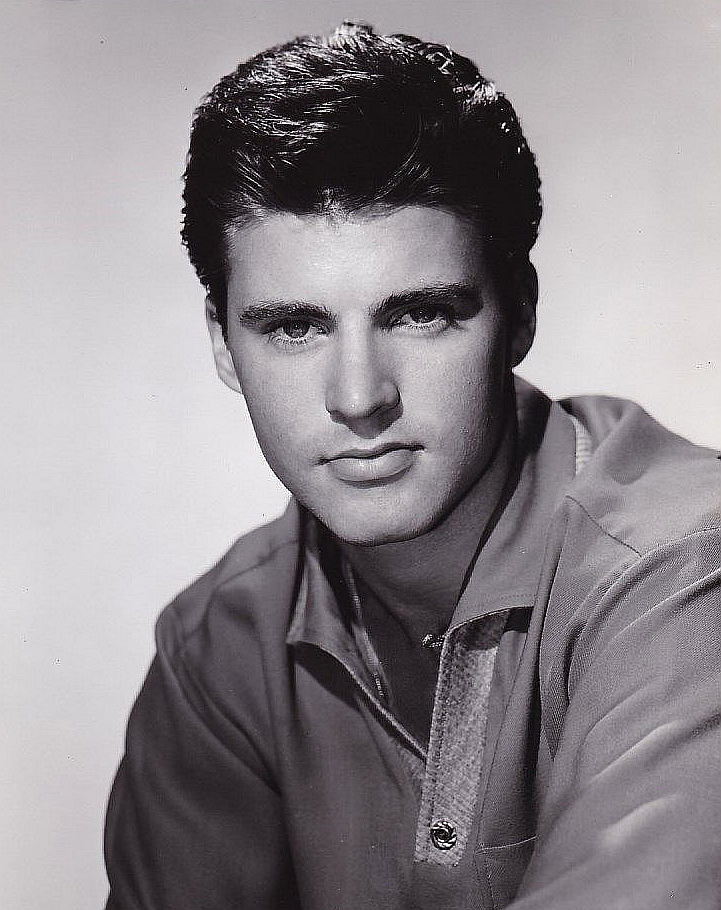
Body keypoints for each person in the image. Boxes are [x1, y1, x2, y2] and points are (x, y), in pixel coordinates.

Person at [103, 21, 721, 910]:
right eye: (294, 327)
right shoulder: (218, 644)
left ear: (519, 312)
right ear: (224, 345)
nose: (359, 397)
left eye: (420, 315)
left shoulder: (686, 570)